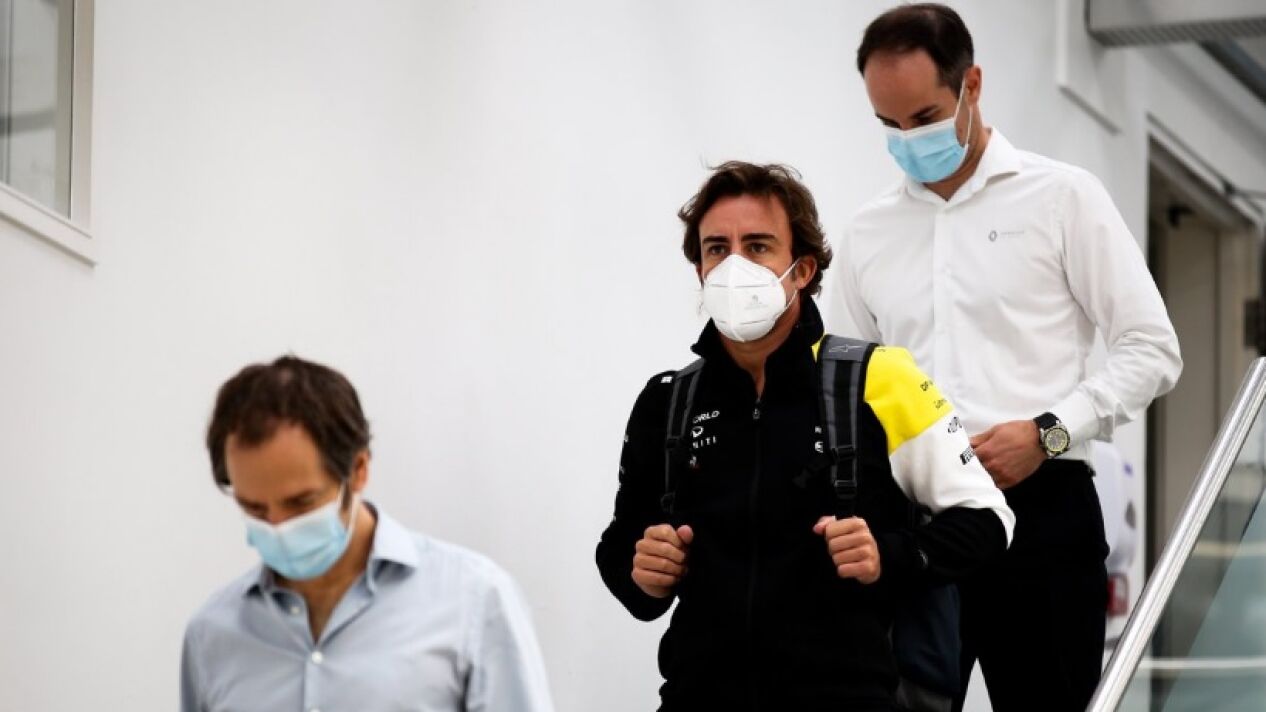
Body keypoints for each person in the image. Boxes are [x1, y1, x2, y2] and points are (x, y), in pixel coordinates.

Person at [826, 5, 1182, 710]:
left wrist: (1048, 433)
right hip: (917, 522)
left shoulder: (1063, 198)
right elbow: (846, 389)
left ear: (972, 85)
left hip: (1045, 508)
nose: (909, 139)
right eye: (889, 125)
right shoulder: (868, 233)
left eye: (924, 117)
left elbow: (1152, 348)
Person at [596, 161, 1014, 710]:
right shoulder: (668, 399)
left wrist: (889, 555)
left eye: (758, 246)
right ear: (699, 269)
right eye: (717, 249)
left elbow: (989, 521)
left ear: (802, 269)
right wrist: (642, 572)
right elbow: (620, 547)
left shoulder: (881, 378)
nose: (735, 265)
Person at [181, 356, 554, 712]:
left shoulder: (473, 600)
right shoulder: (211, 635)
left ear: (358, 470)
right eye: (255, 508)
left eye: (301, 503)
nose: (279, 527)